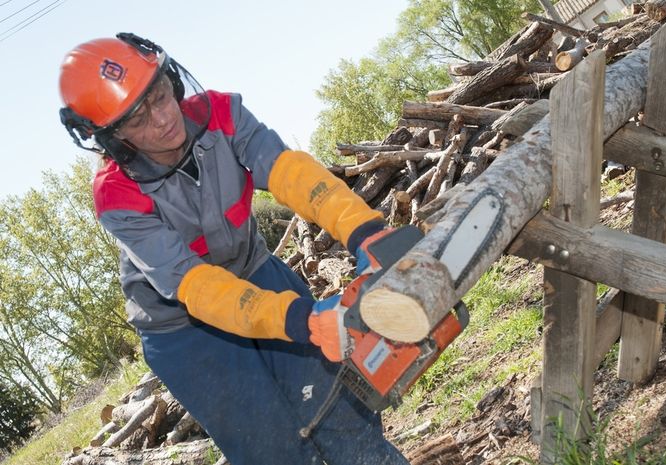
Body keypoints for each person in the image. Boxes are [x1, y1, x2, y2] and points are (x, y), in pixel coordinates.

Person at [58, 33, 409, 465]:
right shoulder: (116, 195)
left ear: (172, 80)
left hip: (253, 267)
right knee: (272, 445)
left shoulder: (222, 114)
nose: (163, 118)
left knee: (336, 406)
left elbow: (289, 172)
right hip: (184, 326)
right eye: (137, 120)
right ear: (111, 138)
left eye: (161, 95)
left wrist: (363, 230)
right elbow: (199, 288)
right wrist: (300, 319)